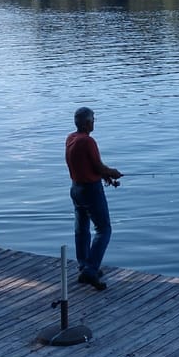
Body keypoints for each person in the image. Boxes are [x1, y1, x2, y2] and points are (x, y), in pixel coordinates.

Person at [65, 106, 122, 290]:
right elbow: (98, 166)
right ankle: (90, 271)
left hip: (76, 189)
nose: (94, 122)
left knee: (81, 229)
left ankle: (84, 265)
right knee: (104, 229)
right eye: (93, 119)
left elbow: (87, 166)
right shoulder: (88, 141)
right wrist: (112, 173)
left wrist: (105, 177)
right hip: (90, 190)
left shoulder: (71, 139)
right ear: (87, 122)